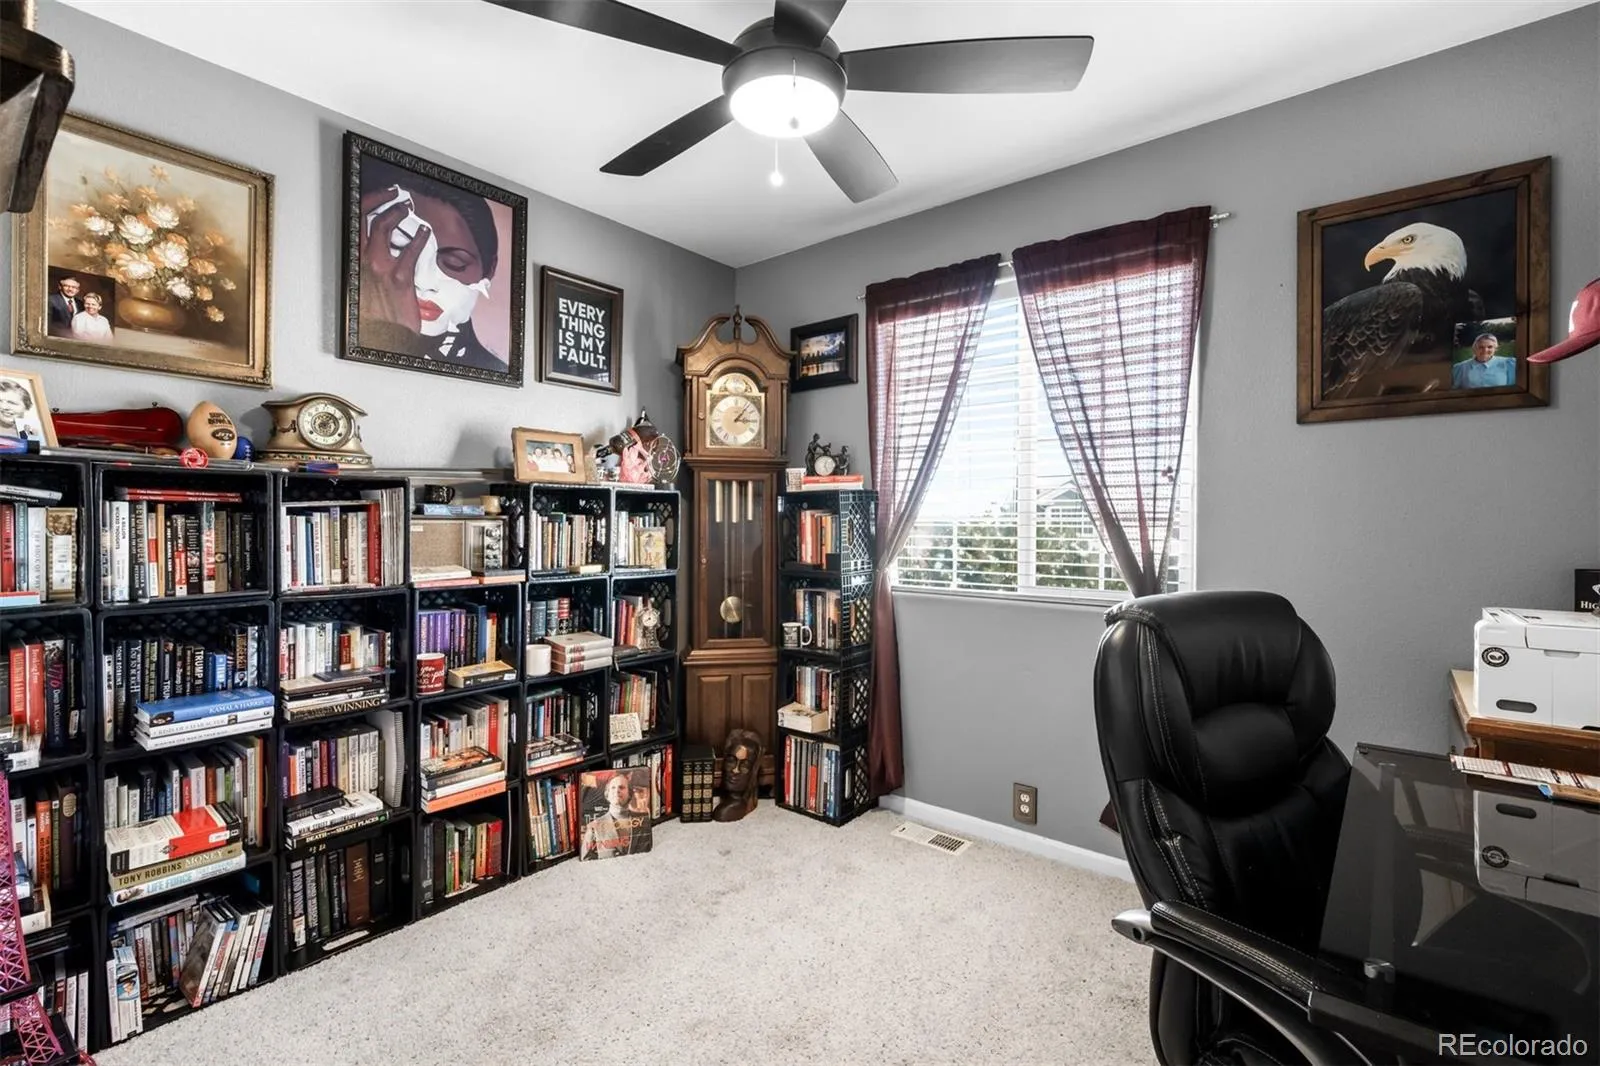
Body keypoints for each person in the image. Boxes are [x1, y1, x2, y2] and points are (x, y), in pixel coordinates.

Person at [357, 166, 505, 373]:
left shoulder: (492, 370)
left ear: (488, 270)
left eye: (454, 263)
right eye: (396, 246)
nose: (423, 282)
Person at [580, 773, 651, 858]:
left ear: (629, 794)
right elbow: (586, 860)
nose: (617, 790)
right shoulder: (593, 828)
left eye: (622, 787)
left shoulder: (644, 822)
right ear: (607, 794)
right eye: (613, 787)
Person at [1451, 333, 1516, 389]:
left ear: (1495, 349)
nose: (1485, 350)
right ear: (1474, 348)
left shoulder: (1508, 364)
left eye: (1490, 347)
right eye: (1481, 347)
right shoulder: (1460, 368)